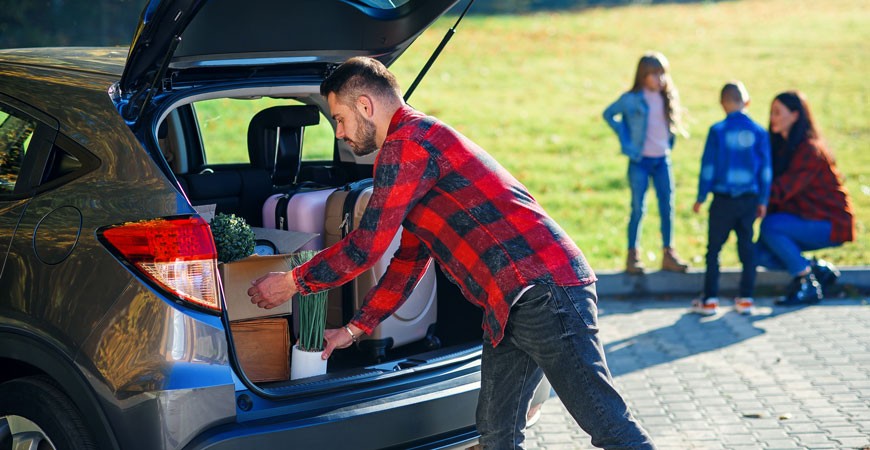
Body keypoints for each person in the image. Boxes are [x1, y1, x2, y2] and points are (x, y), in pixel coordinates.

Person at [247, 57, 656, 449]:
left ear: (366, 105)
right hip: (512, 303)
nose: (338, 132)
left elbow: (366, 245)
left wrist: (291, 282)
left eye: (339, 118)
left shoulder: (407, 144)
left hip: (544, 292)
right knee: (497, 434)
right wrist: (352, 330)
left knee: (608, 425)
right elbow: (407, 262)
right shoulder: (416, 144)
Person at [756, 90, 854, 305]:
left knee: (771, 227)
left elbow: (783, 189)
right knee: (757, 253)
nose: (772, 118)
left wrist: (753, 199)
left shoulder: (810, 150)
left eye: (778, 113)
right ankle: (816, 270)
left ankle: (805, 282)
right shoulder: (781, 147)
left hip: (830, 222)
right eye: (771, 113)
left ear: (795, 115)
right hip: (802, 218)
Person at [603, 51, 690, 275]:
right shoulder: (632, 99)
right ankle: (633, 256)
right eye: (654, 75)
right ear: (643, 76)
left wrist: (669, 145)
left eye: (662, 74)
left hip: (662, 160)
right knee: (638, 208)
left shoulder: (667, 97)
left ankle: (668, 253)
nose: (659, 79)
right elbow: (609, 114)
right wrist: (626, 140)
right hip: (640, 161)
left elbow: (671, 126)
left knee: (667, 207)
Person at [690, 81, 771, 316]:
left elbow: (708, 167)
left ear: (722, 104)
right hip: (749, 200)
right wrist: (763, 200)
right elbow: (765, 170)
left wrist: (701, 196)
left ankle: (710, 299)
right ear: (747, 102)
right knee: (747, 248)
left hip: (723, 200)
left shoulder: (717, 131)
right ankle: (746, 298)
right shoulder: (759, 132)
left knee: (714, 249)